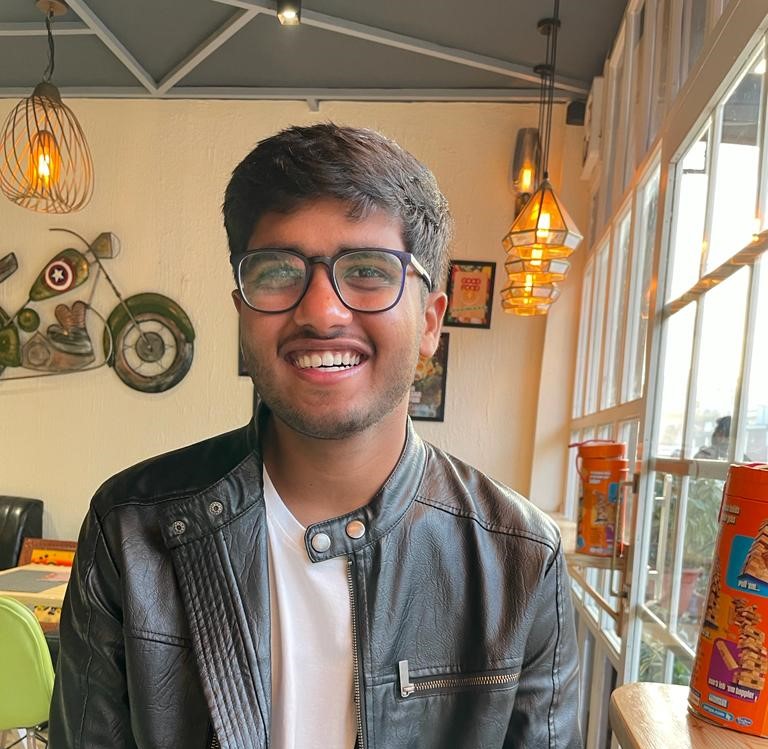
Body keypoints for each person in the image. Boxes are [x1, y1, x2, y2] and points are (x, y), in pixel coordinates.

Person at [49, 123, 581, 749]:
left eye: (369, 270)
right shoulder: (130, 531)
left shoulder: (520, 558)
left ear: (431, 323)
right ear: (243, 311)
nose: (322, 312)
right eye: (278, 270)